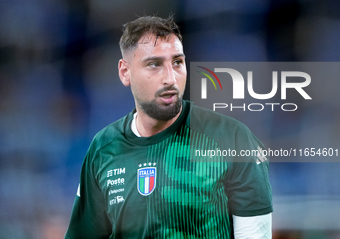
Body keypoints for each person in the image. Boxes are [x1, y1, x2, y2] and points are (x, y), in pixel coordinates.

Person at [65, 15, 273, 239]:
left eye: (177, 62)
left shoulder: (232, 138)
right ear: (125, 72)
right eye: (154, 64)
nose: (170, 78)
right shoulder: (103, 149)